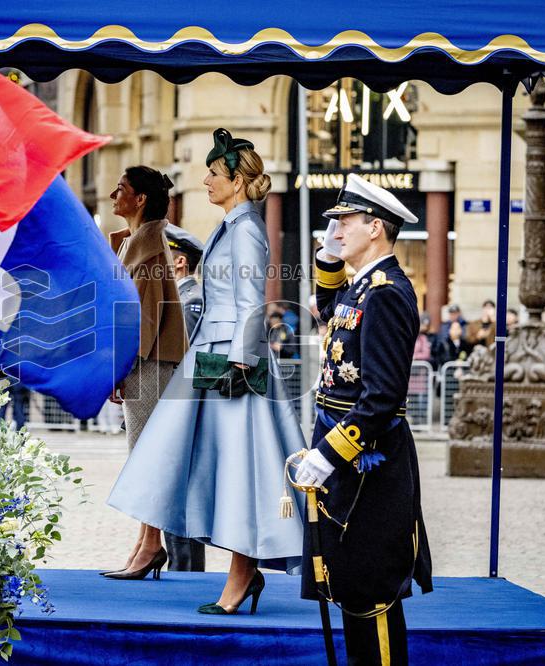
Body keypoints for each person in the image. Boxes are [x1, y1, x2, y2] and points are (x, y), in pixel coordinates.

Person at [108, 129, 306, 613]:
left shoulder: (246, 229)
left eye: (215, 173)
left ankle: (241, 575)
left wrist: (241, 361)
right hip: (213, 357)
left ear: (237, 180)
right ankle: (228, 569)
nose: (206, 180)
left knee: (244, 470)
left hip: (232, 363)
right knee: (210, 463)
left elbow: (251, 304)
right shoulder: (231, 225)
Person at [295, 173, 432, 666]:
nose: (336, 228)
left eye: (344, 221)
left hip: (369, 462)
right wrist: (327, 260)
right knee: (349, 585)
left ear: (375, 227)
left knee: (372, 592)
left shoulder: (388, 291)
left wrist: (329, 453)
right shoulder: (362, 286)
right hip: (349, 460)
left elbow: (382, 396)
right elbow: (331, 308)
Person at [102, 165, 189, 580]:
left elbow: (143, 321)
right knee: (143, 455)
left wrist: (121, 369)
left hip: (149, 364)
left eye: (120, 190)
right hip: (148, 362)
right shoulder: (138, 242)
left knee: (146, 457)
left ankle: (151, 545)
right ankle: (145, 542)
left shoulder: (149, 247)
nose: (111, 195)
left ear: (139, 200)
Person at [162, 221, 208, 573]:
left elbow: (186, 365)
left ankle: (187, 575)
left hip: (181, 416)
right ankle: (181, 569)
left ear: (179, 263)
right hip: (170, 414)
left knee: (180, 505)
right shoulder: (175, 298)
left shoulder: (190, 301)